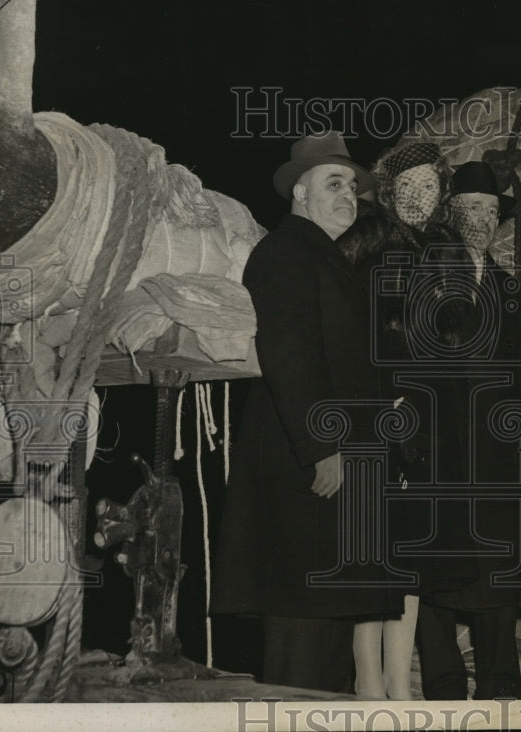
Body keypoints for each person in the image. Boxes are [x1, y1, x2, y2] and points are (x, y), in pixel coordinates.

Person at [210, 131, 400, 693]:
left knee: (326, 626)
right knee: (300, 632)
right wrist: (322, 447)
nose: (348, 196)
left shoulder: (323, 256)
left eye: (352, 187)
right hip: (308, 464)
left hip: (331, 464)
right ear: (299, 192)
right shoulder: (286, 253)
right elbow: (289, 354)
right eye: (333, 184)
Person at [337, 141, 477, 699]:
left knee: (412, 554)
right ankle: (369, 682)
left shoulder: (450, 248)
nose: (420, 196)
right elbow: (343, 323)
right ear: (391, 191)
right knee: (373, 553)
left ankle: (399, 684)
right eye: (409, 186)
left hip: (430, 417)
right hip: (379, 411)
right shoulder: (369, 238)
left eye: (430, 186)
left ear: (442, 193)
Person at [414, 160, 521, 700]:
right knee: (436, 576)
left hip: (496, 457)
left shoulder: (509, 286)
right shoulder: (423, 273)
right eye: (471, 208)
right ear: (451, 214)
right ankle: (442, 693)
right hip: (438, 452)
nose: (482, 219)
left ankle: (502, 692)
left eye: (491, 210)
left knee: (496, 576)